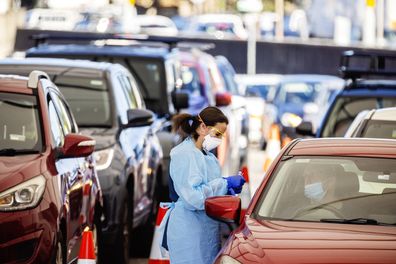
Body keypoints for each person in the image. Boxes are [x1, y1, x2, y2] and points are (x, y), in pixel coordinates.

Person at [161, 106, 246, 264]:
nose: (219, 139)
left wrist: (227, 190)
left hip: (205, 229)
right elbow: (194, 198)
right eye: (217, 134)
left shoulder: (207, 156)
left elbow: (209, 189)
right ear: (202, 128)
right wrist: (224, 183)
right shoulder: (184, 154)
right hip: (188, 232)